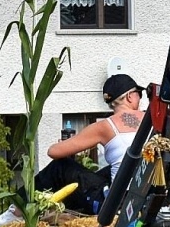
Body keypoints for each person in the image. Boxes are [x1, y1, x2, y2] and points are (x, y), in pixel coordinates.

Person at [33, 74, 145, 215]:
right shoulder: (150, 120)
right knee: (112, 169)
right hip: (145, 196)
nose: (140, 98)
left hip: (118, 203)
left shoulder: (105, 126)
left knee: (60, 166)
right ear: (129, 96)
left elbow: (53, 152)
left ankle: (17, 209)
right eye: (139, 94)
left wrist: (70, 144)